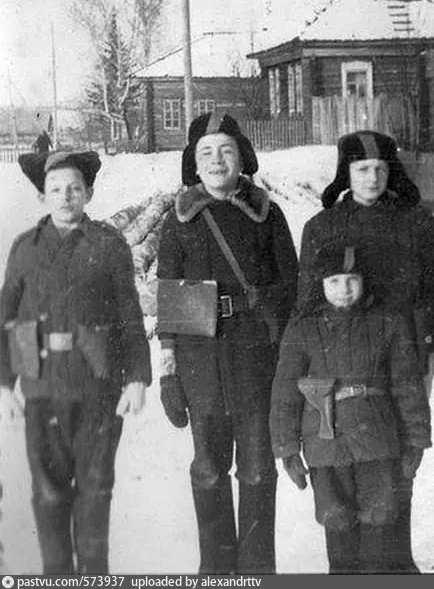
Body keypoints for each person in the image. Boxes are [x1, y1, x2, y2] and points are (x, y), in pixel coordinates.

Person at [296, 130, 434, 573]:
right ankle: (346, 564)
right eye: (362, 169)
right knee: (344, 459)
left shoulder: (416, 221)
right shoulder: (321, 227)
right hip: (341, 361)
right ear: (346, 173)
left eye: (381, 169)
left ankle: (396, 558)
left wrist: (432, 343)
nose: (372, 177)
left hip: (404, 354)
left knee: (400, 451)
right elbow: (307, 300)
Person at [156, 111, 299, 574]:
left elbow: (291, 285)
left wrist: (270, 321)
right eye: (206, 153)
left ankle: (258, 571)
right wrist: (169, 372)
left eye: (226, 150)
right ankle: (215, 572)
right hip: (202, 361)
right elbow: (171, 299)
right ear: (193, 164)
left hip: (256, 356)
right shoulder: (179, 222)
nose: (217, 161)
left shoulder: (267, 214)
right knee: (209, 468)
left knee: (257, 469)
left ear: (242, 158)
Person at [0, 150, 151, 574]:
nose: (65, 196)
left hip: (96, 389)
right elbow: (6, 318)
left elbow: (129, 316)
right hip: (42, 388)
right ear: (42, 196)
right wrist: (3, 384)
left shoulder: (107, 245)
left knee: (95, 491)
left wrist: (136, 378)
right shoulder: (24, 248)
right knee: (48, 496)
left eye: (74, 189)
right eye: (55, 189)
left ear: (88, 193)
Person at [270, 243, 432, 574]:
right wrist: (287, 451)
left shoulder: (388, 323)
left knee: (380, 519)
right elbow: (285, 393)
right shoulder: (302, 329)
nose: (344, 290)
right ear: (320, 284)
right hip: (325, 445)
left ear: (364, 281)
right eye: (334, 282)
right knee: (337, 520)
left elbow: (408, 385)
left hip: (378, 440)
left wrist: (416, 440)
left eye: (352, 280)